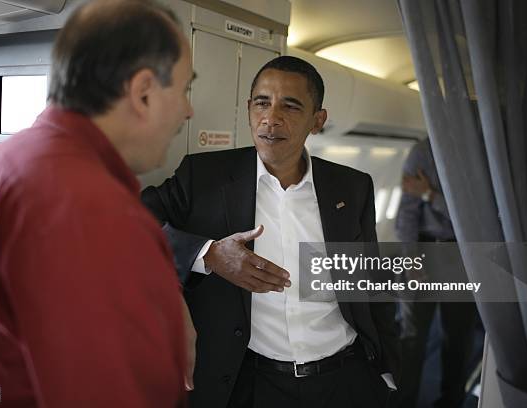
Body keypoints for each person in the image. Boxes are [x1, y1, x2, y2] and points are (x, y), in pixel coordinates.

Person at [0, 0, 195, 406]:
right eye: (184, 89)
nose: (188, 110)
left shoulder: (2, 164)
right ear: (143, 92)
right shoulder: (96, 211)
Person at [142, 56, 399, 408]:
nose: (271, 118)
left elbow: (371, 283)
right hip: (249, 383)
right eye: (262, 103)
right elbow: (133, 223)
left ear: (317, 121)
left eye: (290, 106)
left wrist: (388, 373)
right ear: (249, 108)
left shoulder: (352, 187)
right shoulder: (203, 177)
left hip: (346, 378)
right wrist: (209, 254)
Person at [394, 138, 477, 408]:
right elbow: (406, 214)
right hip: (422, 249)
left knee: (458, 337)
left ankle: (450, 401)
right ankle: (404, 402)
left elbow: (472, 219)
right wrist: (411, 262)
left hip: (462, 256)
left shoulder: (483, 155)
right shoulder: (423, 151)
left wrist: (431, 196)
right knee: (411, 339)